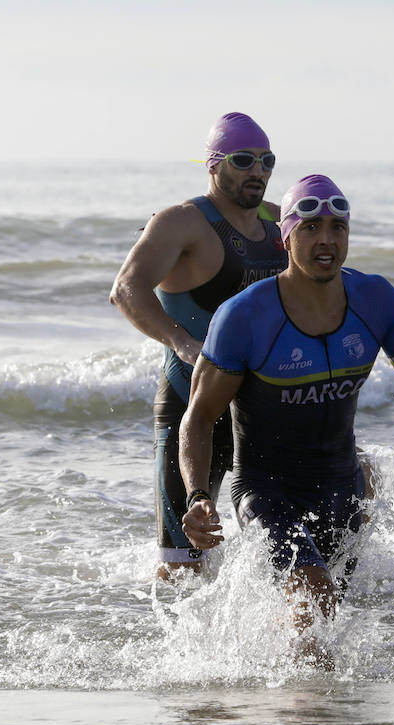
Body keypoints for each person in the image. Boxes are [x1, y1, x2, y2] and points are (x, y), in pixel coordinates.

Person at [178, 174, 394, 632]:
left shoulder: (373, 300)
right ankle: (307, 700)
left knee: (320, 619)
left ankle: (299, 701)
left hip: (343, 489)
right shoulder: (246, 316)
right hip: (266, 490)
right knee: (314, 596)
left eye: (338, 227)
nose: (326, 240)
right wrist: (196, 495)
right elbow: (198, 417)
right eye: (311, 228)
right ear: (286, 238)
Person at [109, 113, 287, 577]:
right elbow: (126, 288)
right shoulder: (182, 222)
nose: (258, 171)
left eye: (266, 160)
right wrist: (182, 342)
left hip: (258, 407)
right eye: (243, 160)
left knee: (292, 543)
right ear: (213, 165)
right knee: (186, 563)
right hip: (192, 404)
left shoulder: (278, 223)